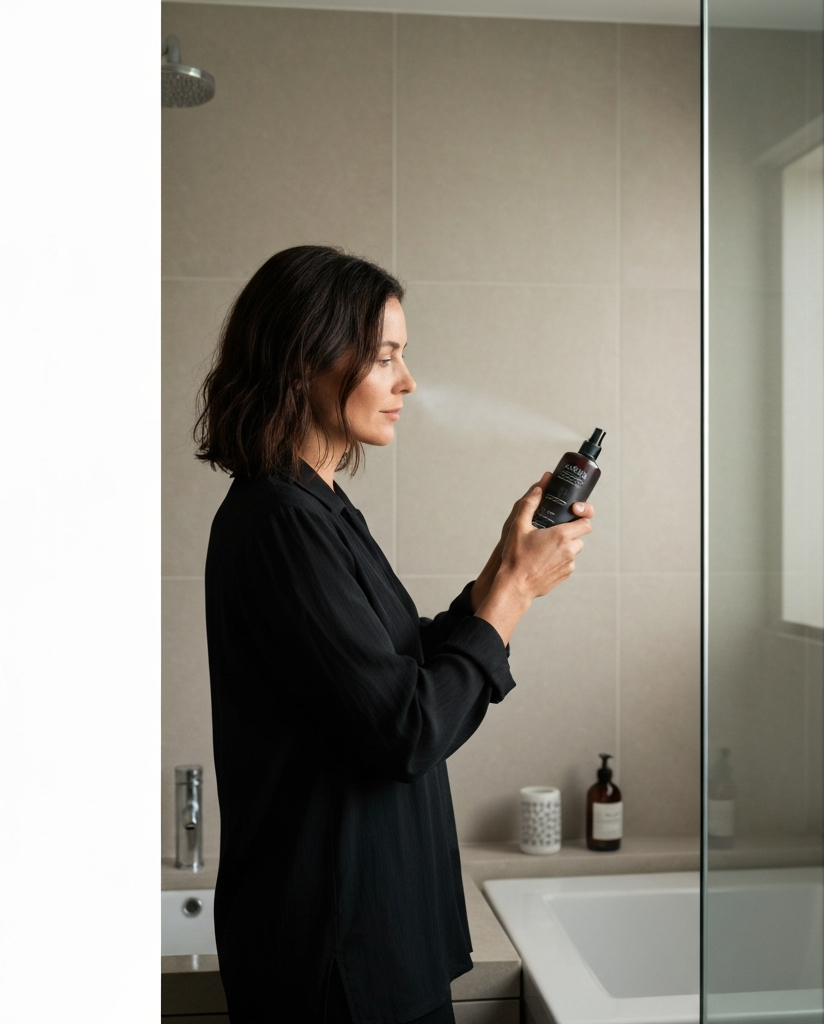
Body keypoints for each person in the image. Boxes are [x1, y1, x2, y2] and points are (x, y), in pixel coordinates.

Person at [193, 245, 595, 1024]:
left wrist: (503, 570)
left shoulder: (317, 510)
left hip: (368, 946)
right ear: (303, 359)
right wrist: (511, 593)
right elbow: (405, 728)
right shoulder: (280, 522)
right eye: (384, 358)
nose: (406, 382)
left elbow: (394, 664)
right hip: (335, 966)